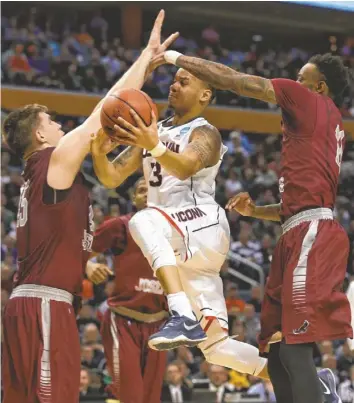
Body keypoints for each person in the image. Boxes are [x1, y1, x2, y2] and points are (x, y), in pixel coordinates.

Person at [1, 10, 178, 403]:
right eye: (52, 120)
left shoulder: (47, 175)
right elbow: (104, 111)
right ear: (38, 133)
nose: (61, 124)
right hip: (44, 304)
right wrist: (145, 61)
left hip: (38, 303)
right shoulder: (53, 162)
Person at [157, 49, 352, 403]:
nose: (294, 82)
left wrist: (175, 58)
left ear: (318, 87)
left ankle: (323, 388)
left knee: (294, 351)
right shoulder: (322, 125)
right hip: (296, 228)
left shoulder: (307, 100)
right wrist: (256, 210)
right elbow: (298, 204)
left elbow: (235, 80)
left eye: (301, 77)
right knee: (276, 353)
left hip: (312, 234)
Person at [90, 178, 168, 403]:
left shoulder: (175, 233)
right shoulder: (121, 225)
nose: (145, 193)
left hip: (159, 325)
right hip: (125, 320)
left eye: (151, 189)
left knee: (150, 398)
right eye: (140, 190)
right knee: (128, 395)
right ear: (134, 198)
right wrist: (88, 265)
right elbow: (82, 249)